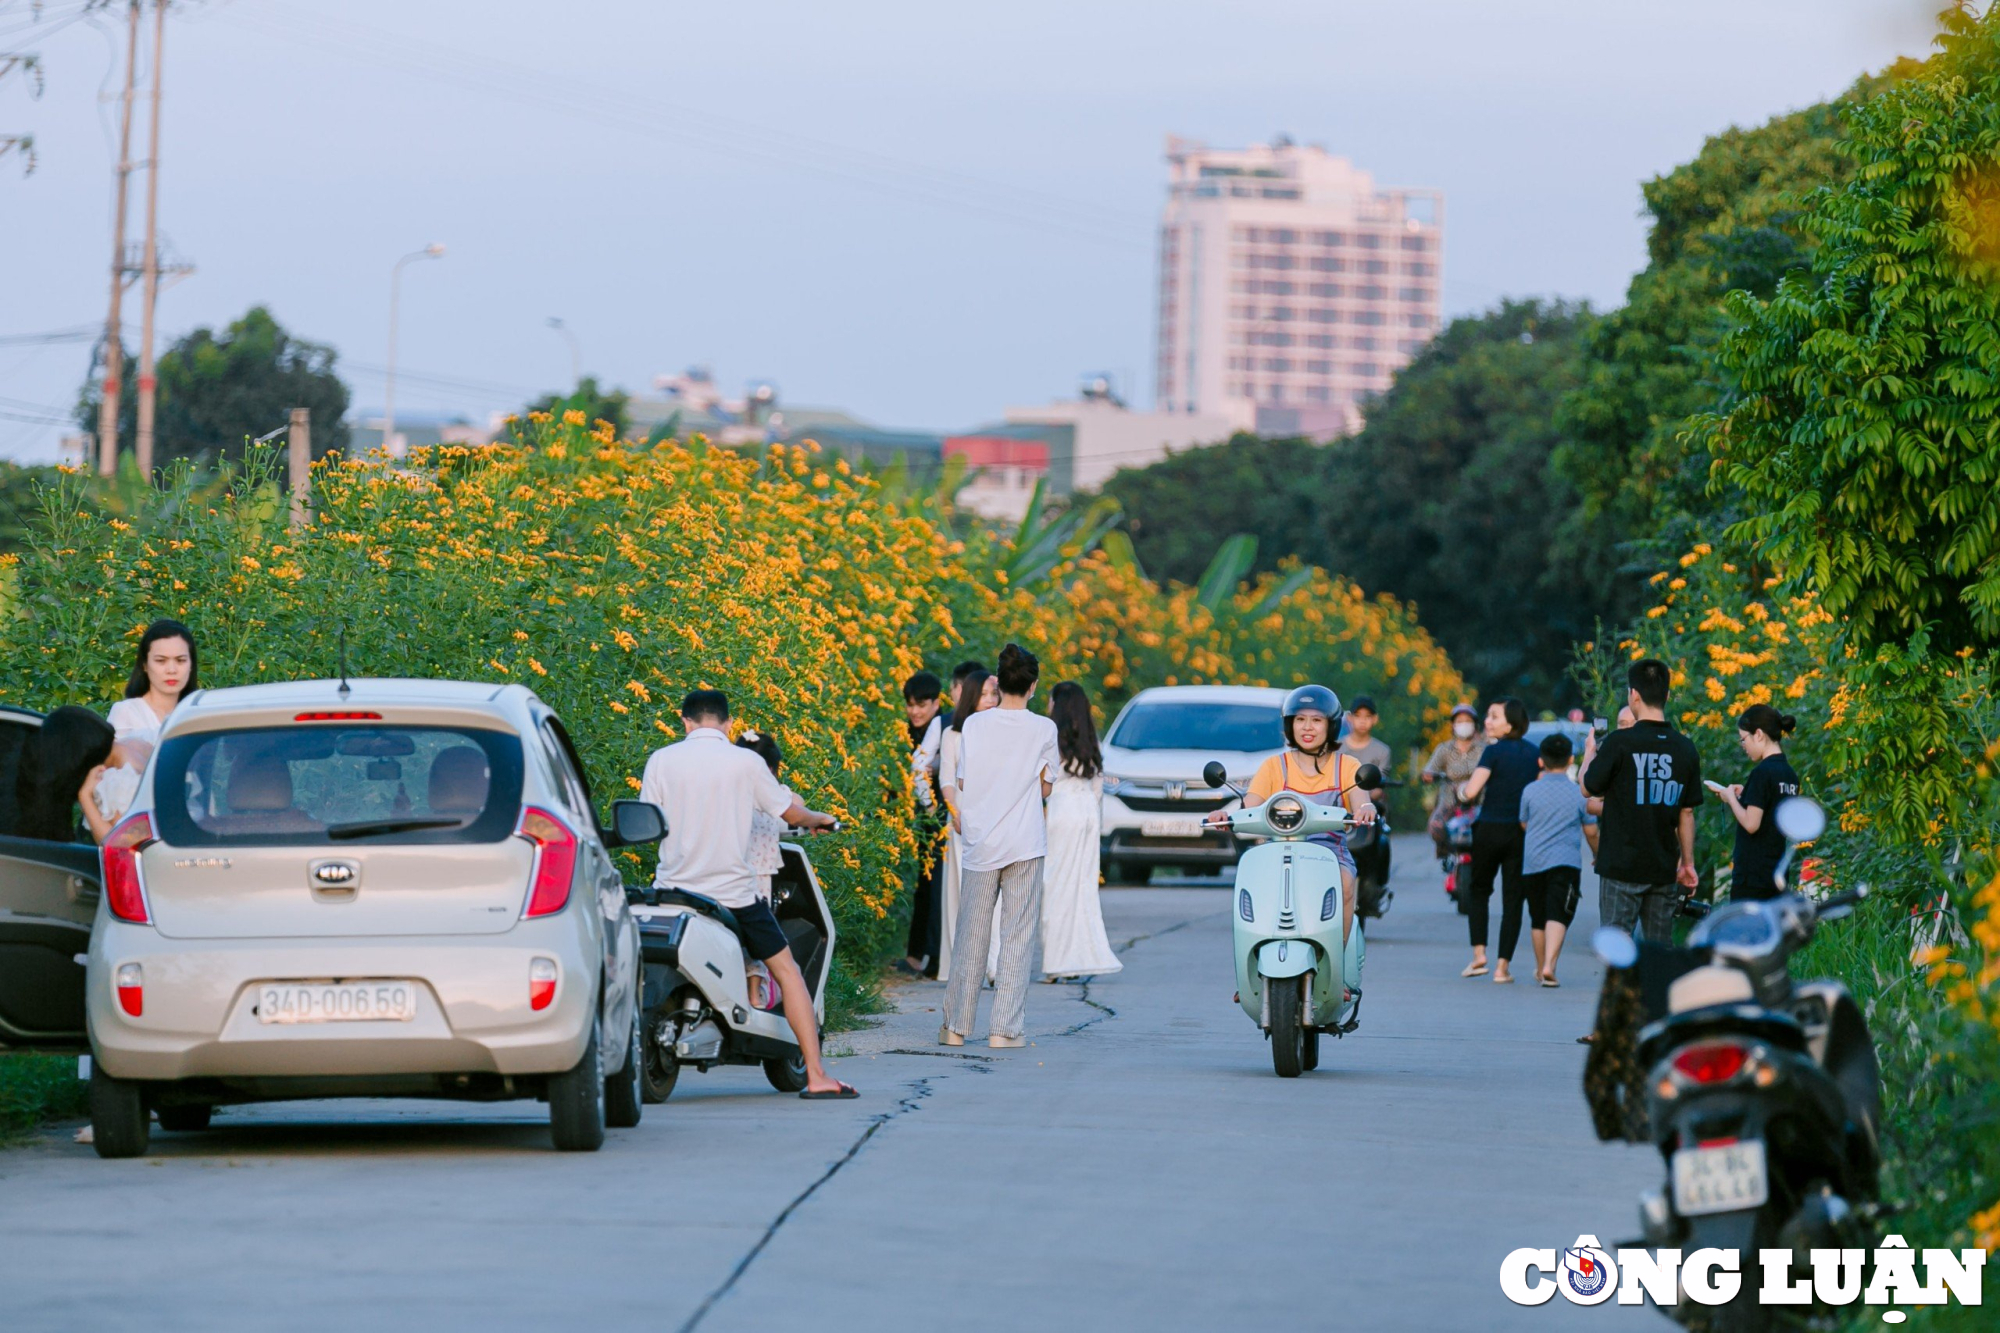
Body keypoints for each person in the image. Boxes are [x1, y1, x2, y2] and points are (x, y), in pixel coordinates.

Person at [640, 689, 852, 1099]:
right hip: (733, 895)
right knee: (788, 972)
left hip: (671, 891)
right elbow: (788, 812)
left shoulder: (661, 760)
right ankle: (816, 1075)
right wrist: (819, 819)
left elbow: (650, 823)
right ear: (728, 723)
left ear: (684, 722)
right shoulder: (747, 763)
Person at [941, 644, 1060, 1049]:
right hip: (1025, 841)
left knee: (971, 936)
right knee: (1016, 935)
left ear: (999, 680)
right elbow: (1046, 786)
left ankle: (955, 1027)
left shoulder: (973, 725)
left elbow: (961, 783)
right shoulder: (1044, 728)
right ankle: (1003, 1030)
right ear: (1032, 686)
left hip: (980, 841)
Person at [1210, 684, 1377, 953]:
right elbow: (1250, 804)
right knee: (1249, 889)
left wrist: (1365, 809)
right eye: (1300, 720)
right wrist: (1226, 816)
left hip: (1329, 851)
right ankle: (1251, 963)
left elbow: (1361, 799)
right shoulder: (1274, 765)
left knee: (1346, 884)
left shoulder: (1347, 766)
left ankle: (1339, 959)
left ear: (1331, 726)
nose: (1307, 728)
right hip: (1277, 850)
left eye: (1316, 720)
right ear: (1290, 725)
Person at [1581, 659, 1704, 941]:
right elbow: (1687, 813)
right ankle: (1656, 987)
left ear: (1633, 694)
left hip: (1620, 867)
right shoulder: (1685, 748)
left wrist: (1590, 752)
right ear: (1667, 696)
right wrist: (1687, 864)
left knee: (1616, 947)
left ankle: (1620, 987)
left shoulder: (1619, 742)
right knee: (1659, 949)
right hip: (1662, 868)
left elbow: (1588, 789)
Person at [82, 618, 198, 838]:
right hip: (139, 832)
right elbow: (113, 790)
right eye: (161, 661)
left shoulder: (196, 713)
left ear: (191, 665)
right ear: (145, 665)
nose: (171, 670)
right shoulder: (126, 713)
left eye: (180, 660)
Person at [1038, 681, 1121, 981]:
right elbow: (1098, 786)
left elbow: (1043, 782)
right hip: (1086, 811)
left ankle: (1055, 963)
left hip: (1061, 809)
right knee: (1081, 887)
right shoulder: (1090, 738)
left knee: (1055, 884)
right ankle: (1074, 958)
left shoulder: (1050, 737)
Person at [1454, 698, 1540, 981]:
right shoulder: (1533, 753)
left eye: (1493, 716)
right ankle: (1503, 967)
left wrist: (1461, 791)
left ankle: (1480, 956)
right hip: (1520, 832)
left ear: (1510, 722)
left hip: (1489, 829)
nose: (1487, 721)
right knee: (1513, 899)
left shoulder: (1493, 752)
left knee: (1479, 891)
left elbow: (1472, 791)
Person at [934, 667, 997, 985]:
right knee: (960, 892)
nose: (989, 700)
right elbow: (946, 778)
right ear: (970, 696)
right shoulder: (952, 734)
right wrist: (954, 810)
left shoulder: (1001, 731)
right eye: (983, 694)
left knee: (993, 893)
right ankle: (961, 966)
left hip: (995, 819)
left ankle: (994, 964)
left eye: (993, 694)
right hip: (960, 816)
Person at [1517, 733, 1594, 987]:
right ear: (1571, 759)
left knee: (1538, 916)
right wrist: (1597, 853)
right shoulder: (1578, 794)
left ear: (1541, 761)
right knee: (1559, 912)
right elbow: (1591, 830)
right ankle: (1550, 965)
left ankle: (1541, 968)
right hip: (1566, 861)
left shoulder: (1529, 790)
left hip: (1533, 862)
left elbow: (1524, 822)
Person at [1714, 704, 1801, 901]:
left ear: (1759, 734)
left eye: (1743, 739)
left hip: (1752, 877)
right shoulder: (1789, 774)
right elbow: (1772, 810)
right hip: (1777, 873)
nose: (1743, 746)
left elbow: (1752, 824)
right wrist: (1746, 795)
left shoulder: (1762, 772)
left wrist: (1730, 799)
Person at [735, 729, 789, 1010]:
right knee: (759, 936)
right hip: (761, 876)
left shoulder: (732, 794)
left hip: (732, 871)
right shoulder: (775, 797)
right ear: (769, 769)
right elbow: (794, 811)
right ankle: (756, 995)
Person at [900, 671, 949, 975]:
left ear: (936, 703)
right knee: (925, 884)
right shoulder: (909, 731)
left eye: (922, 704)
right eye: (910, 705)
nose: (915, 711)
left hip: (941, 814)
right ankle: (918, 955)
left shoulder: (945, 727)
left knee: (937, 884)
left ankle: (932, 956)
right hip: (922, 815)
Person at [1421, 703, 1485, 858]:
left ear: (1475, 725)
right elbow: (1430, 769)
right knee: (1435, 826)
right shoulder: (1444, 749)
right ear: (1453, 725)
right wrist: (1428, 775)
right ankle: (1447, 853)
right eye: (1460, 721)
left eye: (1467, 721)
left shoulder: (1483, 749)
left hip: (1478, 801)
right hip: (1450, 800)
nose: (1464, 725)